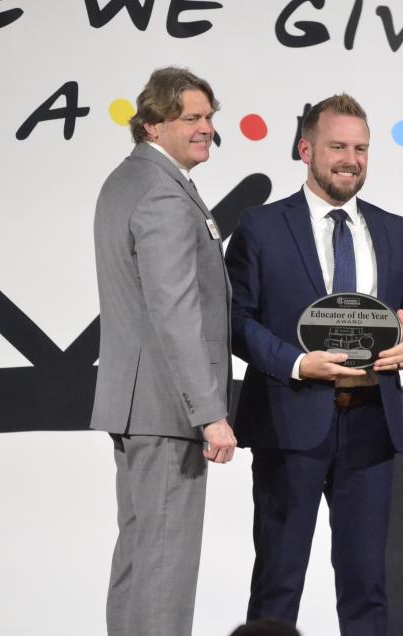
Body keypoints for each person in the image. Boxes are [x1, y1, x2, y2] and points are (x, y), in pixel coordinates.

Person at [225, 93, 403, 636]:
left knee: (367, 587)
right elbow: (235, 320)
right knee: (277, 584)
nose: (351, 159)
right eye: (338, 146)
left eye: (361, 148)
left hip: (370, 424)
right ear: (306, 149)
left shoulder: (391, 229)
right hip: (290, 424)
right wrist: (295, 364)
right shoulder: (260, 226)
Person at [91, 66, 237, 636]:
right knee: (164, 566)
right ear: (153, 126)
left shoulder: (127, 180)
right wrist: (210, 412)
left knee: (139, 557)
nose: (206, 129)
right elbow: (175, 313)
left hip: (135, 406)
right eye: (191, 118)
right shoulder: (163, 193)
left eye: (208, 117)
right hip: (168, 411)